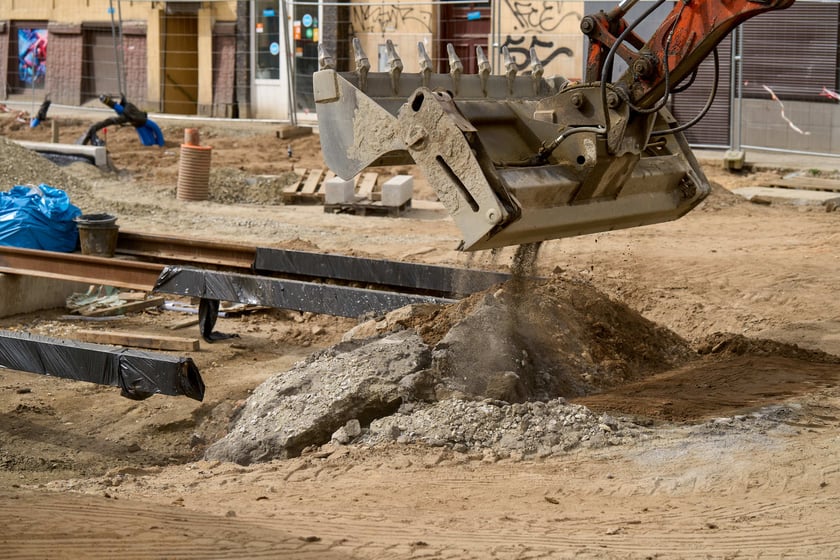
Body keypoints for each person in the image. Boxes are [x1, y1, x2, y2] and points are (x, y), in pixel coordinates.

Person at [79, 94, 164, 147]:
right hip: (140, 121)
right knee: (149, 140)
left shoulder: (127, 112)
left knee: (148, 143)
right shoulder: (127, 110)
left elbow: (112, 119)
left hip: (140, 122)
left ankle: (157, 144)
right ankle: (157, 144)